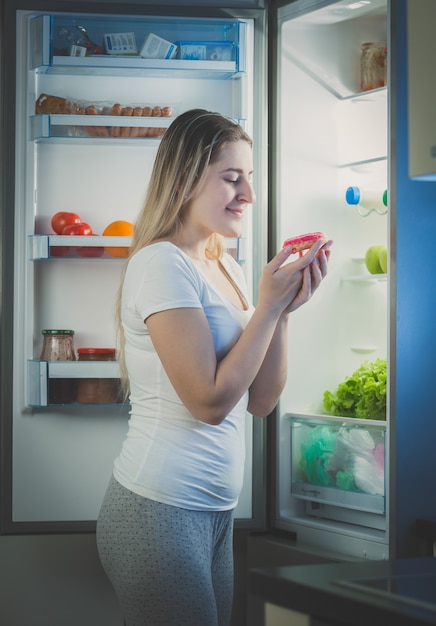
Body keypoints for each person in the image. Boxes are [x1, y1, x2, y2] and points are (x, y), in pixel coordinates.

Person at [96, 108, 331, 626]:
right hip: (157, 510)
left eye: (249, 177)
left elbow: (261, 400)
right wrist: (267, 307)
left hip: (215, 514)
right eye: (232, 178)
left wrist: (282, 312)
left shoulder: (225, 264)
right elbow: (208, 402)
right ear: (183, 179)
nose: (248, 193)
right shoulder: (161, 264)